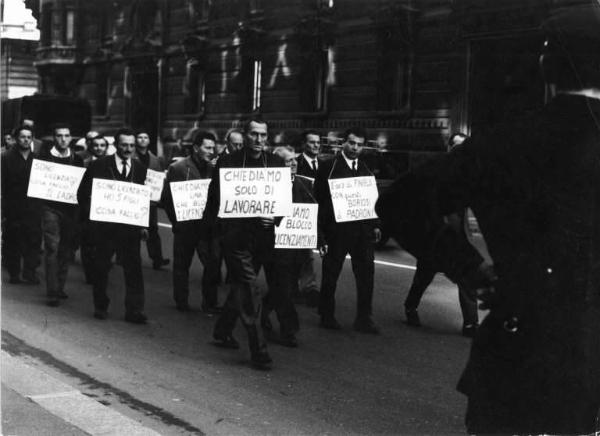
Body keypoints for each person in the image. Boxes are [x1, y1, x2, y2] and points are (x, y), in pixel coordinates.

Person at [377, 4, 600, 433]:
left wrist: (469, 268)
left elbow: (399, 204)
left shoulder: (503, 143)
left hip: (517, 360)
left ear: (551, 65)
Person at [203, 117, 286, 369]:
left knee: (241, 284)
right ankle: (259, 350)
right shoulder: (227, 163)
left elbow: (284, 201)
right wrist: (212, 236)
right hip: (236, 238)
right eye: (253, 134)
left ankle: (222, 330)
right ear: (245, 135)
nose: (259, 140)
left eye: (263, 135)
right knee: (250, 288)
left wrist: (275, 217)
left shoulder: (275, 163)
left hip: (262, 239)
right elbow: (214, 199)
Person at [402, 133, 484, 338]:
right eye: (456, 147)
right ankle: (411, 306)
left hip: (460, 237)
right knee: (423, 277)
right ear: (449, 148)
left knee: (467, 281)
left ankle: (471, 324)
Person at [77, 128, 149, 324]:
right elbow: (82, 194)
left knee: (134, 269)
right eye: (124, 145)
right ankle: (101, 305)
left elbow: (144, 199)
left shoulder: (140, 168)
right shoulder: (99, 165)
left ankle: (134, 310)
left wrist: (144, 225)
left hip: (130, 229)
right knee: (101, 268)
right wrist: (93, 215)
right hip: (105, 229)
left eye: (132, 145)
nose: (128, 149)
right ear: (116, 145)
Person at [314, 127, 382, 334]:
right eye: (352, 143)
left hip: (362, 232)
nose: (355, 148)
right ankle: (326, 314)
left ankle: (364, 318)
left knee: (366, 276)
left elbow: (371, 198)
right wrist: (321, 232)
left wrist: (376, 224)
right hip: (337, 231)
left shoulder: (365, 167)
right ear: (343, 143)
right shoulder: (329, 166)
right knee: (331, 273)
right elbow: (320, 200)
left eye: (359, 144)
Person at [261, 146, 318, 347]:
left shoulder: (304, 184)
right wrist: (267, 219)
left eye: (294, 159)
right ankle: (289, 330)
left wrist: (320, 239)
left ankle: (263, 309)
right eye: (288, 161)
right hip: (274, 248)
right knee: (284, 288)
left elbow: (311, 213)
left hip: (297, 248)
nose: (293, 163)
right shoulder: (268, 187)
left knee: (284, 287)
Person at [161, 131, 222, 313]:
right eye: (207, 147)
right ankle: (182, 301)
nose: (211, 151)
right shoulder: (179, 168)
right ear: (196, 148)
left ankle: (210, 302)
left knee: (212, 265)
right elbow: (167, 199)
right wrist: (176, 222)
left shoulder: (216, 168)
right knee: (182, 265)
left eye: (213, 148)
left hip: (208, 228)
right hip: (186, 226)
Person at [36, 124, 84, 306]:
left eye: (66, 135)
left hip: (70, 210)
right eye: (59, 136)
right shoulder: (45, 158)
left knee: (65, 250)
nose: (63, 139)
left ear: (71, 138)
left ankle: (60, 286)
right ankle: (53, 291)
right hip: (50, 208)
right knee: (52, 248)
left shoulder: (77, 159)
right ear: (54, 138)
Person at [1, 125, 42, 284]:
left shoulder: (37, 159)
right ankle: (14, 272)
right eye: (22, 136)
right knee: (13, 239)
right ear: (16, 138)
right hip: (13, 206)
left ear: (32, 139)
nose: (25, 139)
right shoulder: (5, 158)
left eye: (28, 137)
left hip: (33, 206)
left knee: (33, 239)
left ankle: (30, 272)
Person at [294, 130, 325, 307]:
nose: (316, 145)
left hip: (317, 213)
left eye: (318, 142)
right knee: (301, 251)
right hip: (299, 212)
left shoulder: (323, 165)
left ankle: (308, 287)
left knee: (308, 252)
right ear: (304, 144)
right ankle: (304, 286)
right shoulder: (295, 163)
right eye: (312, 142)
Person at [134, 130, 170, 270]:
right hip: (134, 198)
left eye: (145, 137)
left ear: (149, 141)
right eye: (140, 137)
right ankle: (127, 257)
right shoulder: (131, 156)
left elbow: (159, 178)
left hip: (150, 200)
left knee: (153, 229)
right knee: (132, 229)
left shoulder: (156, 159)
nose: (143, 140)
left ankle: (157, 258)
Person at [79, 135, 109, 284]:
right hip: (88, 209)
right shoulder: (84, 164)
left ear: (106, 148)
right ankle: (90, 273)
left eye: (102, 145)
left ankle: (102, 269)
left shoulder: (112, 165)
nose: (99, 148)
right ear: (91, 147)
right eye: (96, 145)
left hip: (106, 210)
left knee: (106, 243)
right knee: (88, 243)